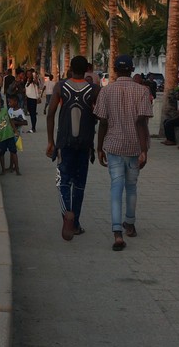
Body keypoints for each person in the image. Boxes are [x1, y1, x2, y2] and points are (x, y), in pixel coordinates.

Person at [94, 54, 152, 251]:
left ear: (115, 70)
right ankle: (131, 223)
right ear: (132, 69)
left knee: (116, 188)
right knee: (132, 187)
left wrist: (99, 146)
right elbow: (142, 122)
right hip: (135, 146)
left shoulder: (106, 91)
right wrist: (144, 150)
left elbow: (102, 121)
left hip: (113, 145)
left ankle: (117, 232)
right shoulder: (142, 91)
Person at [46, 55, 98, 241]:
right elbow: (101, 115)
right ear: (86, 70)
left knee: (63, 182)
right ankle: (75, 223)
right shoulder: (94, 89)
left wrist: (50, 141)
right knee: (80, 185)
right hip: (84, 144)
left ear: (70, 69)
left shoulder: (61, 87)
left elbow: (50, 114)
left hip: (65, 142)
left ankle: (66, 215)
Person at [0, 96, 20, 175]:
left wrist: (15, 130)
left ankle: (17, 169)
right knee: (1, 154)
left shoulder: (5, 110)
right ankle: (3, 170)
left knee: (14, 152)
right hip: (1, 138)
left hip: (10, 136)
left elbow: (11, 121)